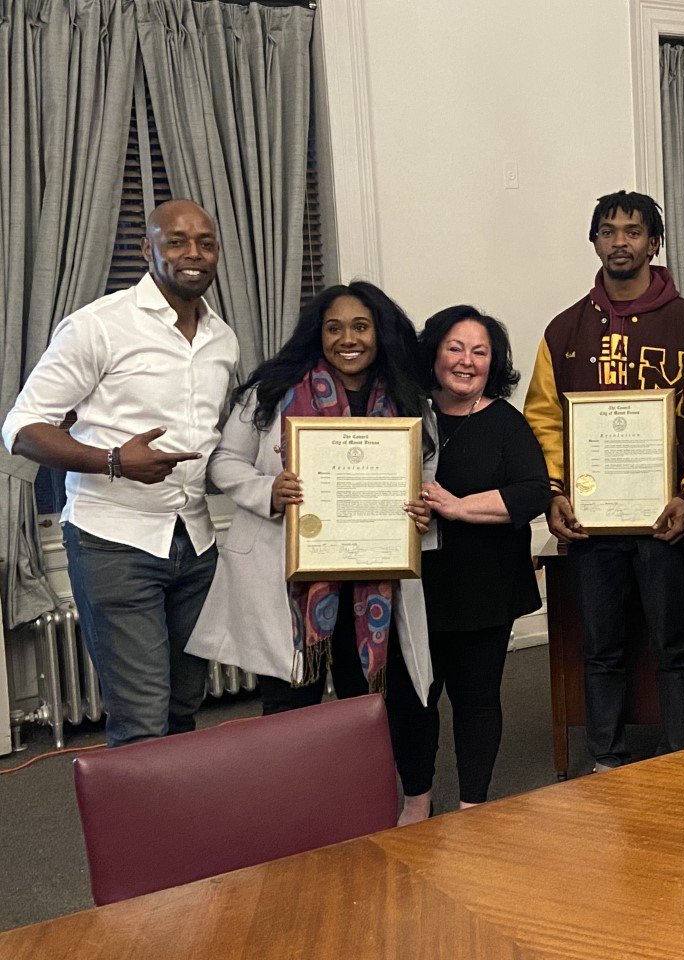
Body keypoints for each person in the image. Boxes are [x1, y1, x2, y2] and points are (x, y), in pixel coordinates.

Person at [186, 281, 438, 825]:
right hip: (292, 579)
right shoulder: (273, 392)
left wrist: (425, 511)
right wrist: (266, 491)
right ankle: (293, 812)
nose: (348, 339)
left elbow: (427, 478)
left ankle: (402, 798)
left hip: (377, 578)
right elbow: (224, 463)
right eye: (334, 327)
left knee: (375, 697)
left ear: (380, 334)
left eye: (361, 327)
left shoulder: (406, 396)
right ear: (316, 334)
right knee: (290, 703)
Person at [3, 200, 237, 747]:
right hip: (114, 541)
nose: (193, 253)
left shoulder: (222, 340)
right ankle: (143, 835)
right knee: (140, 719)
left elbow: (210, 435)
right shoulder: (98, 326)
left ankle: (178, 830)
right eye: (176, 240)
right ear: (147, 250)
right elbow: (20, 426)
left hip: (196, 542)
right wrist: (111, 460)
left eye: (205, 242)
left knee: (184, 706)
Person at [524, 190, 684, 771]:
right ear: (594, 241)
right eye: (609, 231)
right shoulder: (564, 331)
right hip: (593, 524)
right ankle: (605, 759)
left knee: (676, 647)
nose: (621, 241)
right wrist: (555, 493)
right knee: (601, 648)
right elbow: (543, 417)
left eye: (634, 231)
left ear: (653, 243)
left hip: (666, 519)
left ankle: (679, 755)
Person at [416, 305, 550, 809]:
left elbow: (533, 492)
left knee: (476, 702)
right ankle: (415, 798)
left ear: (494, 363)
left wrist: (457, 507)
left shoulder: (504, 423)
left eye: (480, 351)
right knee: (414, 703)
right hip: (415, 589)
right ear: (433, 353)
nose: (466, 361)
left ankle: (474, 804)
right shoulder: (408, 416)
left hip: (484, 591)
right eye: (455, 348)